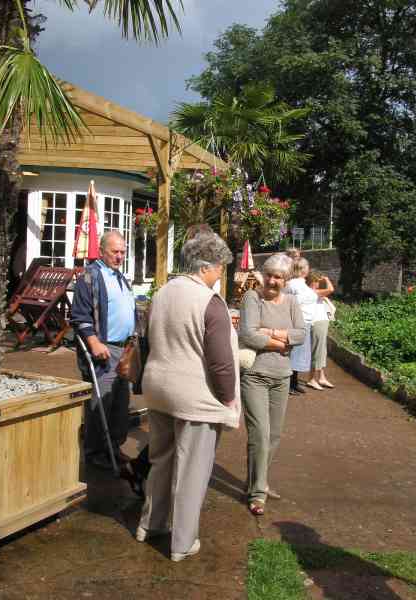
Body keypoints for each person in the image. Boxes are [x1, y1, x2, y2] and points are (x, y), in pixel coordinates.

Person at [136, 231, 241, 562]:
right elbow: (222, 360)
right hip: (194, 396)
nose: (220, 274)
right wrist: (228, 398)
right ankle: (182, 543)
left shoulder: (162, 293)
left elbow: (146, 338)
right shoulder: (210, 302)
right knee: (192, 470)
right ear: (207, 266)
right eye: (220, 267)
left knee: (161, 461)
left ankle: (149, 525)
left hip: (158, 389)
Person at [239, 254, 305, 516]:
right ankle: (257, 494)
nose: (272, 281)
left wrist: (271, 332)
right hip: (255, 375)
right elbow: (248, 334)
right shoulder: (252, 298)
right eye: (269, 275)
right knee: (260, 435)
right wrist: (282, 343)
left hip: (282, 377)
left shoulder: (291, 302)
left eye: (278, 277)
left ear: (286, 280)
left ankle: (258, 481)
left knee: (274, 436)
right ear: (262, 275)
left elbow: (301, 333)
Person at [71, 230, 135, 469]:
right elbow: (79, 316)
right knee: (100, 404)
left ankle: (113, 448)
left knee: (120, 402)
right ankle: (95, 453)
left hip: (125, 350)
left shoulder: (119, 276)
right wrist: (94, 342)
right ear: (101, 251)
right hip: (104, 349)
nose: (119, 256)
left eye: (122, 252)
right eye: (114, 252)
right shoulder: (90, 276)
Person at [286, 257, 313, 394]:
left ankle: (294, 382)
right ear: (302, 269)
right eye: (307, 267)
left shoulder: (303, 283)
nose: (309, 269)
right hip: (297, 322)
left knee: (300, 353)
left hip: (306, 322)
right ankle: (289, 384)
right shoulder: (291, 284)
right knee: (294, 353)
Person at [305, 271, 335, 390]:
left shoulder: (316, 292)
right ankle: (311, 379)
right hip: (316, 323)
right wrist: (327, 279)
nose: (319, 283)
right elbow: (331, 289)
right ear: (312, 281)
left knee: (322, 350)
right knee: (316, 350)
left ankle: (321, 377)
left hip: (322, 322)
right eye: (317, 281)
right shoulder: (312, 292)